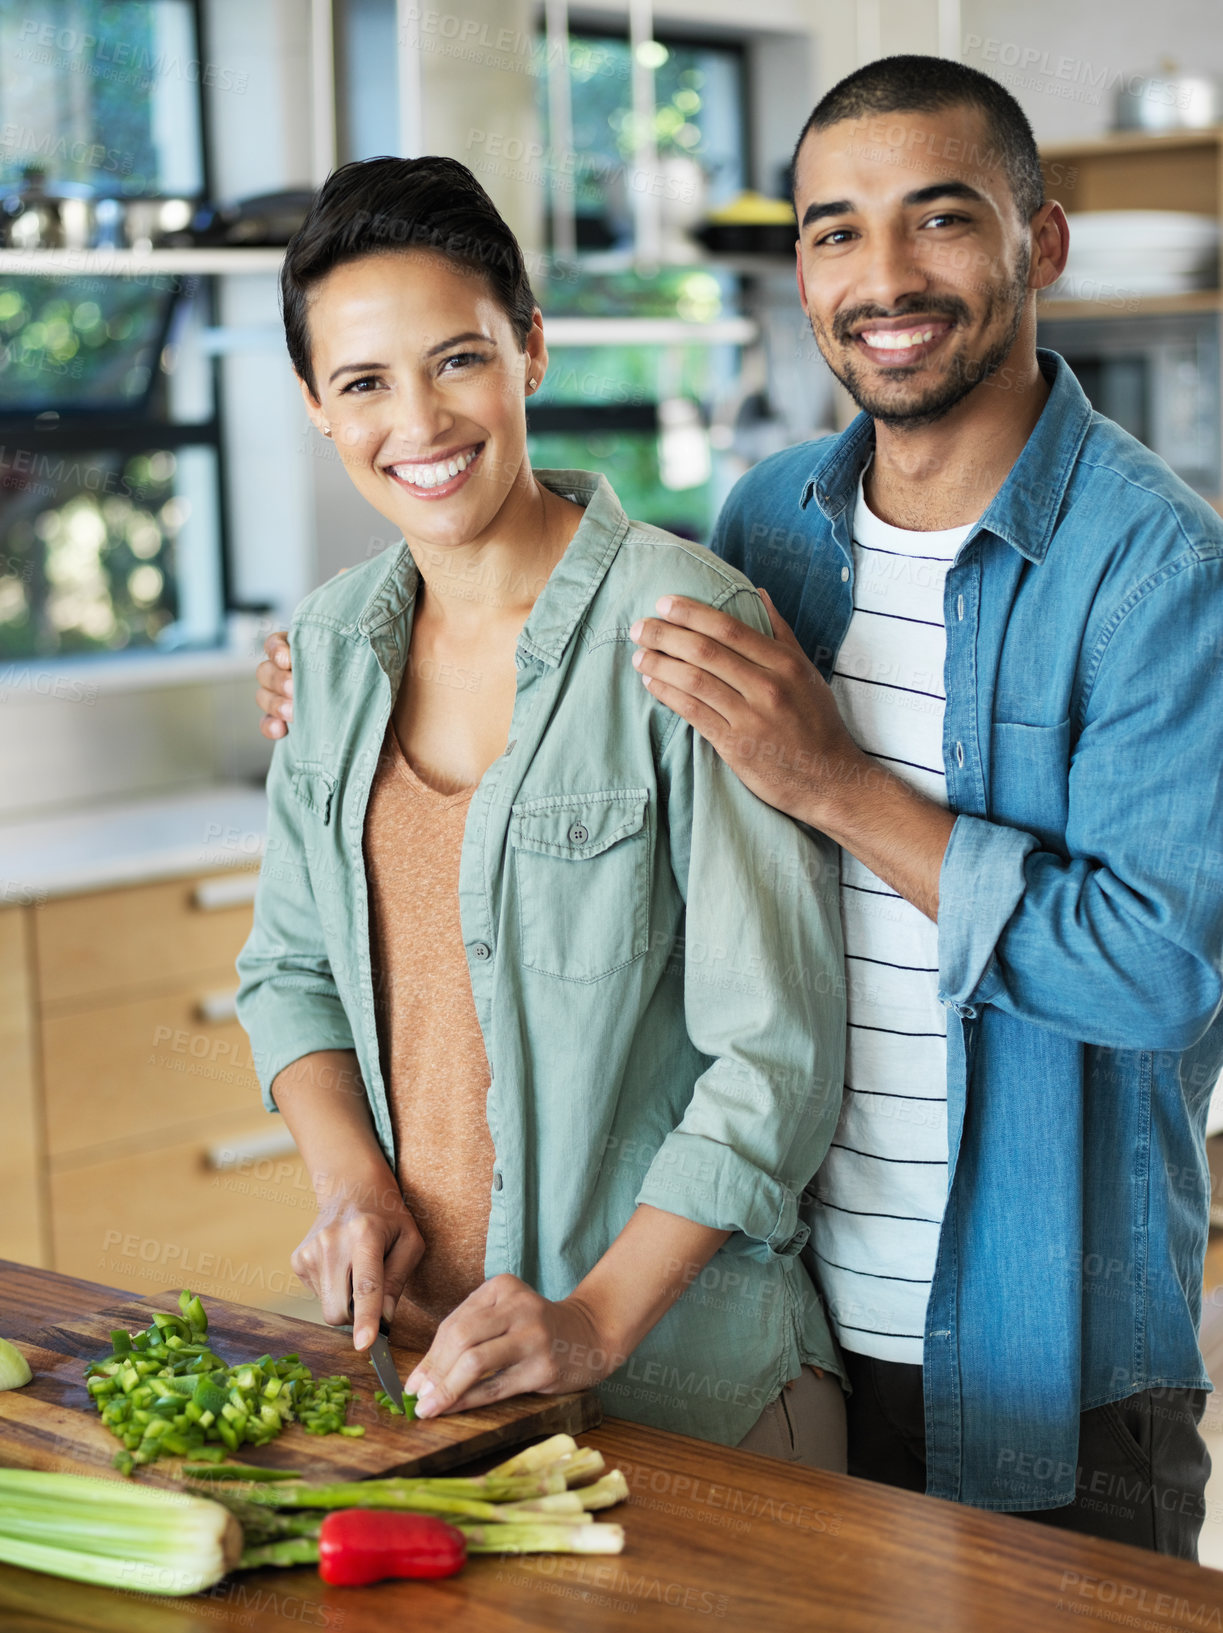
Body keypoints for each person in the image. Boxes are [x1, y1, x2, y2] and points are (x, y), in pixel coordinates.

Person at [257, 56, 1223, 1557]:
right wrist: (330, 697)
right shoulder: (776, 527)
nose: (884, 274)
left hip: (1044, 1344)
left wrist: (837, 784)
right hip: (805, 1289)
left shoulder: (1160, 572)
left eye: (940, 219)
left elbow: (1162, 969)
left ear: (1040, 246)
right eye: (835, 229)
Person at [236, 153, 849, 1467]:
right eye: (363, 383)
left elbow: (777, 1057)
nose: (419, 420)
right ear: (313, 404)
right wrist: (350, 1182)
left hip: (697, 1399)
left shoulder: (685, 628)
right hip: (439, 1391)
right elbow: (290, 971)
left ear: (531, 348)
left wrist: (592, 1319)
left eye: (458, 358)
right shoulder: (332, 648)